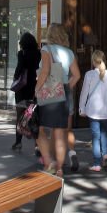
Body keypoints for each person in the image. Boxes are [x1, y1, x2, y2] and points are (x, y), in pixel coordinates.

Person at [35, 23, 80, 177]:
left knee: (40, 130)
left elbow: (45, 71)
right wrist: (67, 87)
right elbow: (77, 75)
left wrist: (37, 88)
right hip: (65, 93)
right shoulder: (69, 52)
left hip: (49, 93)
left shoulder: (46, 50)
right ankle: (59, 168)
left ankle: (49, 163)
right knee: (60, 132)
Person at [79, 49, 107, 172]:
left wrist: (82, 108)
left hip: (92, 110)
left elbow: (84, 93)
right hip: (106, 111)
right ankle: (105, 155)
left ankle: (97, 163)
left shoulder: (89, 75)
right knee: (104, 134)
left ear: (93, 61)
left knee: (96, 136)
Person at [11, 32, 41, 151]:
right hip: (34, 86)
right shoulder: (39, 53)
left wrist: (15, 78)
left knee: (20, 115)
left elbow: (19, 68)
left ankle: (18, 142)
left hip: (22, 88)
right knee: (34, 114)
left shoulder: (22, 53)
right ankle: (37, 144)